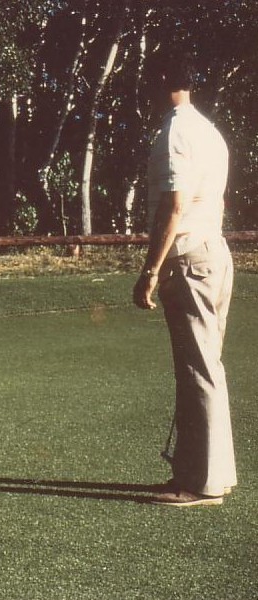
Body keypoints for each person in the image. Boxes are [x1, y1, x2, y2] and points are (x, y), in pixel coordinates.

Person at [132, 54, 236, 506]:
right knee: (206, 365)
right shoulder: (209, 131)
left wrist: (150, 270)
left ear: (159, 81)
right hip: (213, 251)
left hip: (190, 256)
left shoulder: (175, 132)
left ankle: (201, 484)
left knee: (199, 368)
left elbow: (174, 206)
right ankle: (203, 474)